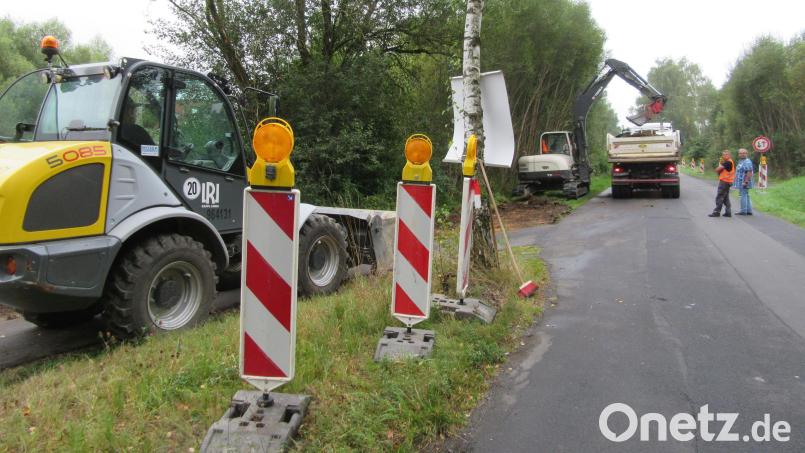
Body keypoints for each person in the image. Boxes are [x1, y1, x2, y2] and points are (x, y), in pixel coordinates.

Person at [709, 150, 735, 217]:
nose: (725, 156)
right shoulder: (729, 162)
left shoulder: (728, 162)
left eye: (727, 154)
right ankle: (728, 212)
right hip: (728, 181)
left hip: (724, 182)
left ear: (729, 155)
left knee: (719, 197)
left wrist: (718, 169)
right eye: (724, 154)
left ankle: (716, 212)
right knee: (726, 197)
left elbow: (718, 169)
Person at [734, 148, 754, 215]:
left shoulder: (747, 161)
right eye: (740, 153)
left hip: (744, 182)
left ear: (746, 154)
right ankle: (749, 210)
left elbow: (749, 172)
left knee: (743, 195)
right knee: (746, 195)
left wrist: (746, 182)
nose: (742, 154)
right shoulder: (741, 161)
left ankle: (743, 211)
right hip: (741, 182)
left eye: (743, 153)